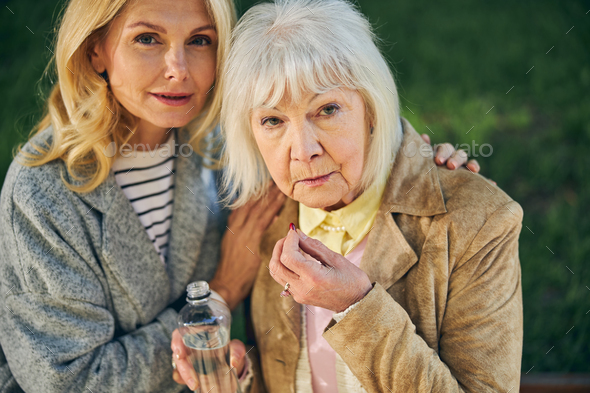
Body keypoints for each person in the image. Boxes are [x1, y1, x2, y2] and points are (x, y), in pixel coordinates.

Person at [0, 0, 476, 392]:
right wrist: (222, 295)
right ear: (96, 50)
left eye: (200, 41)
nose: (178, 69)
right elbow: (68, 380)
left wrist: (417, 166)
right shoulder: (42, 193)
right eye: (147, 39)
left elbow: (337, 115)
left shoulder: (225, 149)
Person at [172, 0, 524, 392]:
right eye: (273, 120)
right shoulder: (263, 214)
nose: (302, 150)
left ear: (371, 108)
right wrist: (238, 382)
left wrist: (357, 305)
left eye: (327, 110)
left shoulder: (478, 221)